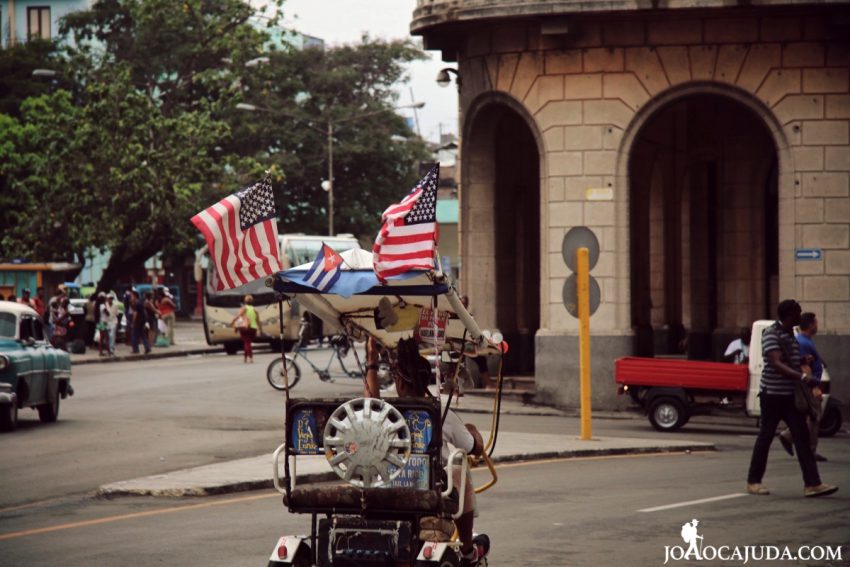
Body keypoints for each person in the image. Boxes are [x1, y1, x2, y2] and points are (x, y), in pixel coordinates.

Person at [365, 337, 489, 566]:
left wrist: (372, 361)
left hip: (386, 484)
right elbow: (474, 447)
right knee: (459, 465)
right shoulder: (439, 412)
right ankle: (468, 551)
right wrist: (473, 432)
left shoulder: (385, 412)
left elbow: (371, 400)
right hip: (430, 490)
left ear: (400, 383)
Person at [745, 299, 837, 498]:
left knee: (802, 436)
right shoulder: (771, 333)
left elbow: (788, 360)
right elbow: (776, 363)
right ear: (789, 314)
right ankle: (753, 481)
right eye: (798, 312)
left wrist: (802, 361)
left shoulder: (790, 334)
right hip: (772, 394)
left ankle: (813, 484)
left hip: (789, 396)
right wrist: (803, 376)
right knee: (766, 436)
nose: (800, 315)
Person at [778, 312, 827, 462]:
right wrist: (814, 387)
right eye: (816, 322)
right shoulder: (803, 342)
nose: (817, 325)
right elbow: (804, 366)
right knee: (813, 416)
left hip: (807, 384)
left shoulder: (804, 340)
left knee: (809, 417)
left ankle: (791, 437)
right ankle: (807, 448)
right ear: (811, 324)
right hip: (808, 386)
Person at [231, 294, 262, 363]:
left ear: (245, 301)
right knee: (247, 342)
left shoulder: (244, 308)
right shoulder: (255, 310)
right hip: (253, 328)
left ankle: (250, 357)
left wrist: (233, 322)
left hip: (245, 328)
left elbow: (238, 316)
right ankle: (245, 358)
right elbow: (258, 321)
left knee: (247, 343)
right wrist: (260, 330)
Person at [130, 290, 151, 355]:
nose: (131, 298)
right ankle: (147, 348)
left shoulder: (137, 304)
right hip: (142, 321)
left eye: (132, 296)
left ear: (135, 296)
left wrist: (133, 322)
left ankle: (135, 349)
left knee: (134, 335)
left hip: (138, 322)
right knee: (143, 335)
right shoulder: (140, 303)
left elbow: (135, 314)